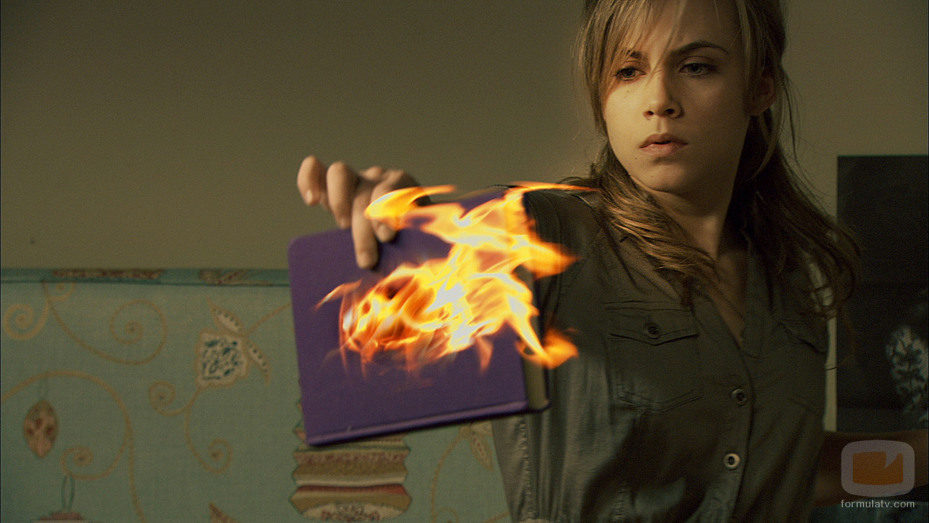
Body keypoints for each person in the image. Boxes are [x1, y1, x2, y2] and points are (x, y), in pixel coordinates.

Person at [296, 0, 928, 520]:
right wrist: (403, 236)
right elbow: (400, 324)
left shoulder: (790, 278)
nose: (659, 99)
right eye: (628, 71)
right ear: (601, 95)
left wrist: (921, 457)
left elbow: (793, 472)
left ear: (759, 85)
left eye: (697, 66)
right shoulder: (542, 233)